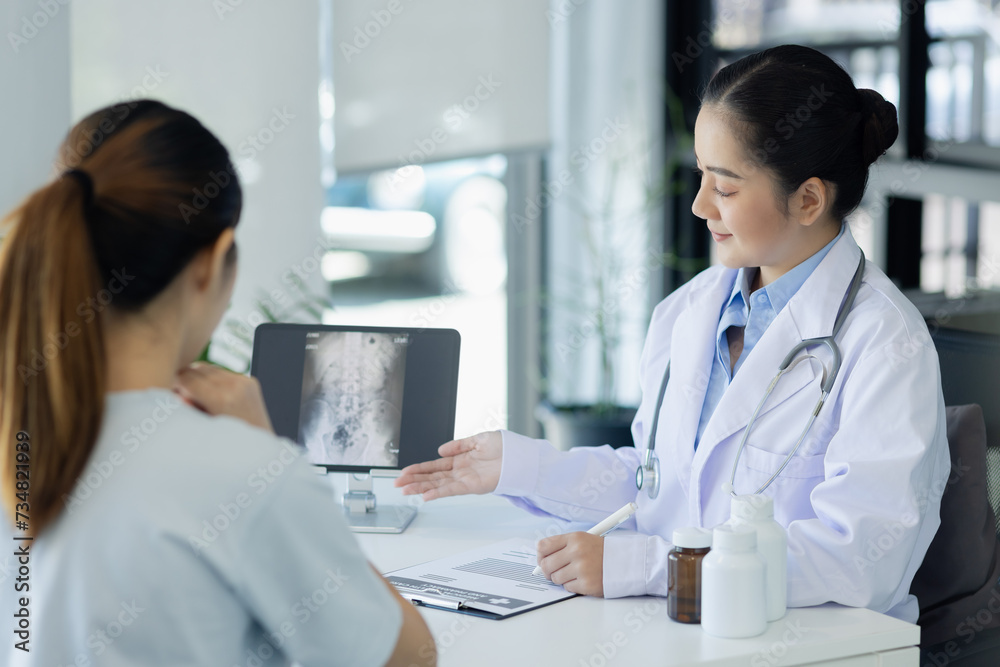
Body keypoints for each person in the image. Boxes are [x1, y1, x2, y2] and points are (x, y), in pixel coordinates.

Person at [396, 44, 951, 622]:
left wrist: (646, 568)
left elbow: (857, 559)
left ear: (809, 199)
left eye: (727, 187)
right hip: (680, 629)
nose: (699, 205)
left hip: (814, 643)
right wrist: (522, 467)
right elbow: (658, 485)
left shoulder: (886, 345)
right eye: (702, 176)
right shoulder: (689, 311)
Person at [0, 100, 435, 666]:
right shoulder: (245, 473)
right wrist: (268, 449)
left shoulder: (20, 445)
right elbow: (409, 657)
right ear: (214, 259)